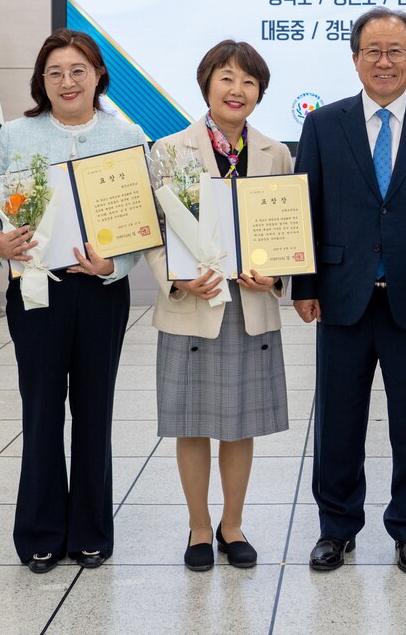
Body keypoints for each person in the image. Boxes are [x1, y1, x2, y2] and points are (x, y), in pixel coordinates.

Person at [292, 7, 406, 575]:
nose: (385, 61)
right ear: (355, 58)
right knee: (338, 420)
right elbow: (307, 210)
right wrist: (305, 284)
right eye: (373, 50)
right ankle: (336, 527)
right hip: (342, 295)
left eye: (397, 51)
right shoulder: (323, 125)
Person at [0, 28, 147, 574]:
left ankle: (92, 531)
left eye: (78, 70)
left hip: (99, 291)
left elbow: (148, 223)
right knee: (42, 410)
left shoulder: (128, 136)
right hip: (35, 291)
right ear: (40, 82)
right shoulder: (13, 138)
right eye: (55, 72)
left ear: (98, 75)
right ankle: (41, 532)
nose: (67, 81)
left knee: (94, 410)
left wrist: (115, 265)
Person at [145, 41, 291, 571]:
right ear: (206, 84)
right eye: (227, 78)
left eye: (249, 82)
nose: (237, 90)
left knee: (240, 422)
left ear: (259, 94)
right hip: (194, 303)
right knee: (191, 422)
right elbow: (154, 234)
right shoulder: (168, 151)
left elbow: (285, 231)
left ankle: (233, 524)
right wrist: (179, 279)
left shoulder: (277, 154)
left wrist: (277, 275)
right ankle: (199, 527)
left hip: (250, 306)